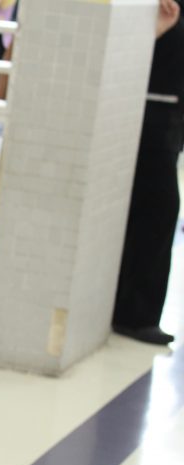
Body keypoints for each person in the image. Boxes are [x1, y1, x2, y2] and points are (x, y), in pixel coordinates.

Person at [112, 0, 183, 345]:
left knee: (156, 211)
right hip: (147, 109)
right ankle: (133, 314)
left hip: (168, 113)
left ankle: (134, 312)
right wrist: (154, 31)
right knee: (158, 208)